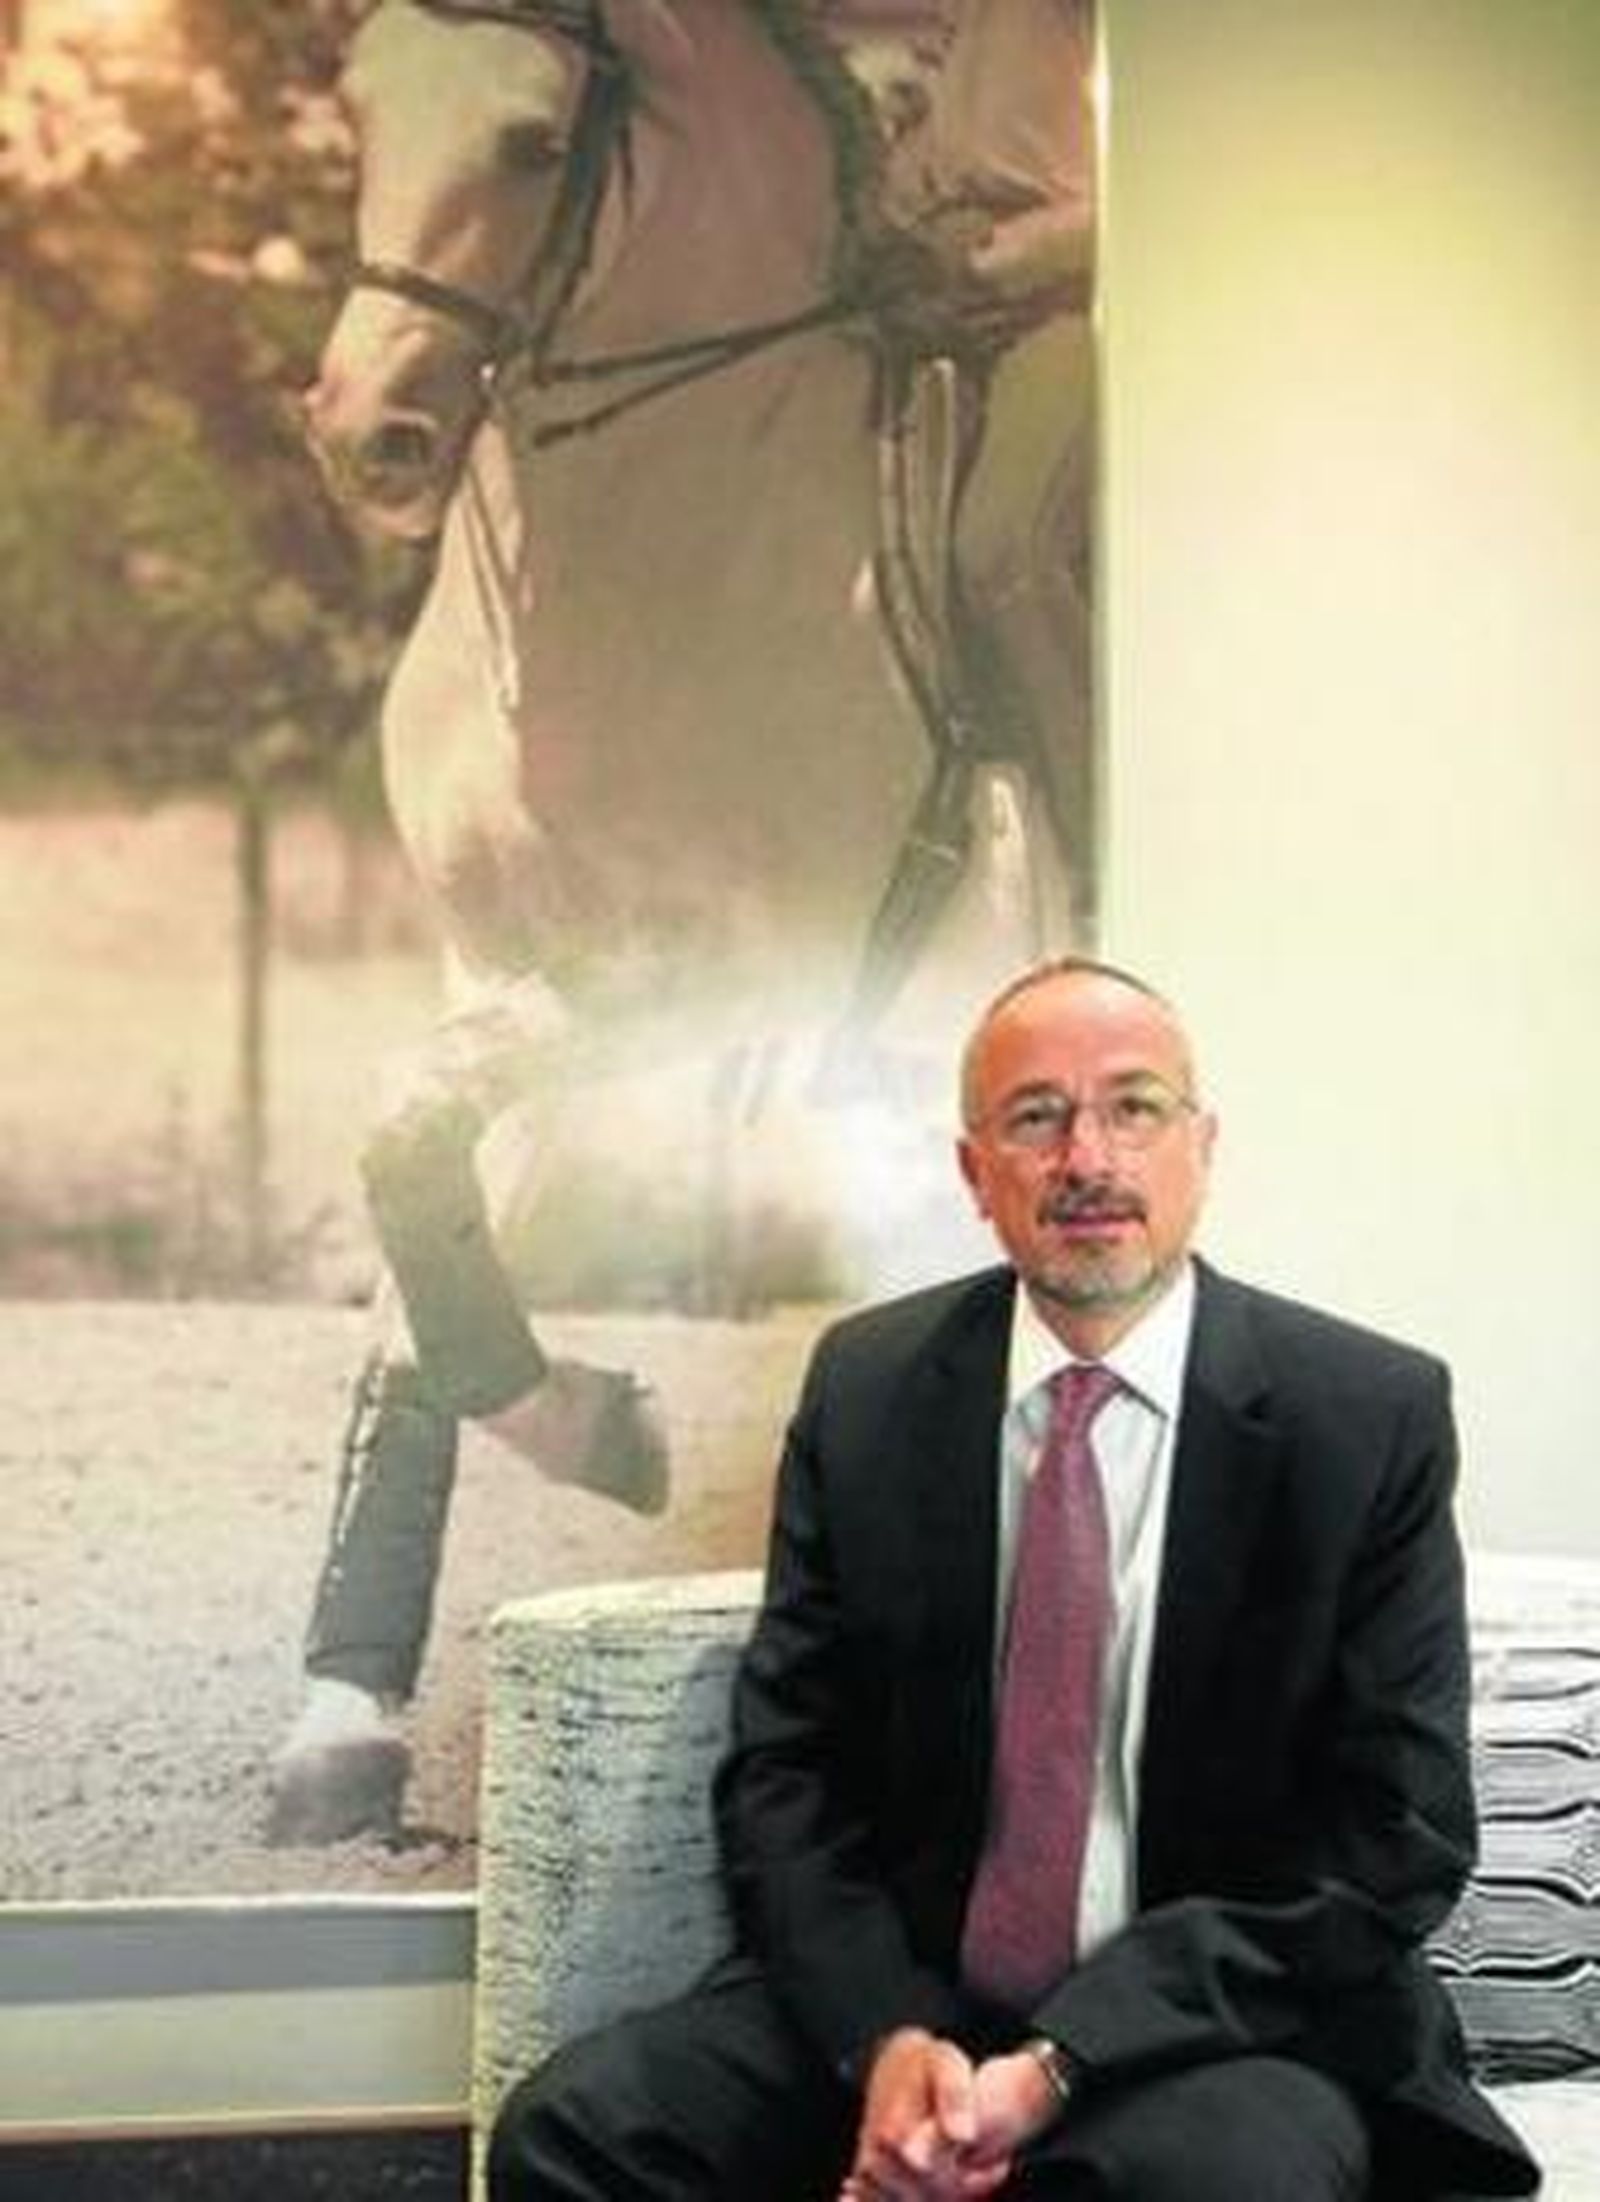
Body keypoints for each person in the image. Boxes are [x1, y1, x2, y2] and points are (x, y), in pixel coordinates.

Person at [488, 953, 1538, 2200]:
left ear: (1201, 1146)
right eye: (1036, 1117)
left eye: (1133, 1108)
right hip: (912, 2002)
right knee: (574, 2133)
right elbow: (787, 1770)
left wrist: (1061, 2060)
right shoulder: (870, 1388)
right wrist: (887, 2041)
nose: (1088, 1157)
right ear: (973, 1173)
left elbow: (1397, 1830)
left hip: (1222, 2029)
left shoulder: (1362, 1415)